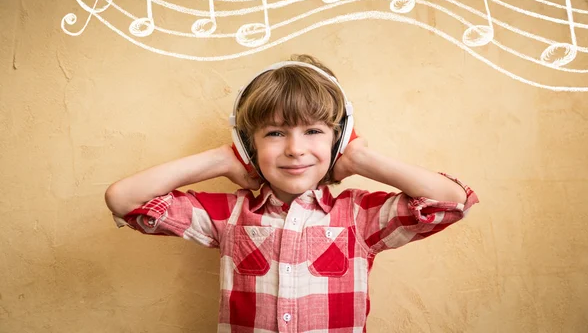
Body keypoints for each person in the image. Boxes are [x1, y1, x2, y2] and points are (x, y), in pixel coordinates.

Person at [105, 54, 479, 332]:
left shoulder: (358, 216)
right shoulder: (229, 215)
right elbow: (124, 199)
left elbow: (452, 202)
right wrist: (220, 159)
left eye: (313, 131)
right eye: (275, 133)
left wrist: (362, 158)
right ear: (248, 145)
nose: (295, 149)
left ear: (339, 139)